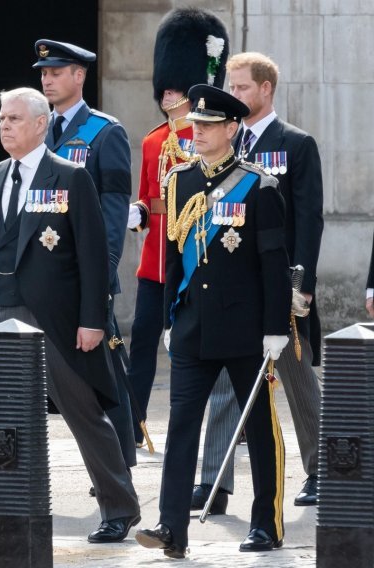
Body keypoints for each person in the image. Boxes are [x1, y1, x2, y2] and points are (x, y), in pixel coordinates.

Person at [0, 87, 140, 551]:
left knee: (83, 413)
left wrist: (93, 319)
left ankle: (120, 508)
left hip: (54, 317)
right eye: (1, 118)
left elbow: (92, 255)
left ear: (40, 124)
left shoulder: (70, 177)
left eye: (14, 118)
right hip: (1, 311)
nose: (4, 125)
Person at [135, 85, 291, 559]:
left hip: (246, 330)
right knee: (181, 426)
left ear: (230, 129)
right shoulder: (178, 180)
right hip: (192, 326)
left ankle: (267, 522)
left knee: (260, 428)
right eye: (194, 125)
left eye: (206, 126)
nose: (195, 132)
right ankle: (170, 527)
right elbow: (173, 258)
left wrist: (275, 329)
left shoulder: (258, 184)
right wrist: (167, 319)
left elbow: (273, 263)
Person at [191, 52, 324, 512]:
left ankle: (321, 467)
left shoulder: (296, 143)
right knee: (229, 380)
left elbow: (308, 219)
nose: (235, 95)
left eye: (243, 87)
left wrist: (301, 283)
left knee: (296, 374)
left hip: (279, 282)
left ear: (266, 89)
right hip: (232, 285)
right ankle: (215, 482)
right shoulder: (227, 143)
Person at [126, 7, 228, 449]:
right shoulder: (152, 141)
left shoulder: (214, 139)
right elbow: (150, 197)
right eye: (164, 89)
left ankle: (227, 426)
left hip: (198, 260)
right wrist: (140, 215)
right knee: (142, 347)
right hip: (156, 265)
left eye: (173, 88)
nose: (167, 95)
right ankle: (131, 424)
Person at [34, 38, 136, 468]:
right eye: (43, 74)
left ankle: (120, 466)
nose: (47, 80)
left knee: (102, 376)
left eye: (56, 72)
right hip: (43, 275)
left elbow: (113, 210)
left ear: (79, 76)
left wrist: (103, 274)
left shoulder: (104, 132)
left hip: (84, 275)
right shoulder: (37, 130)